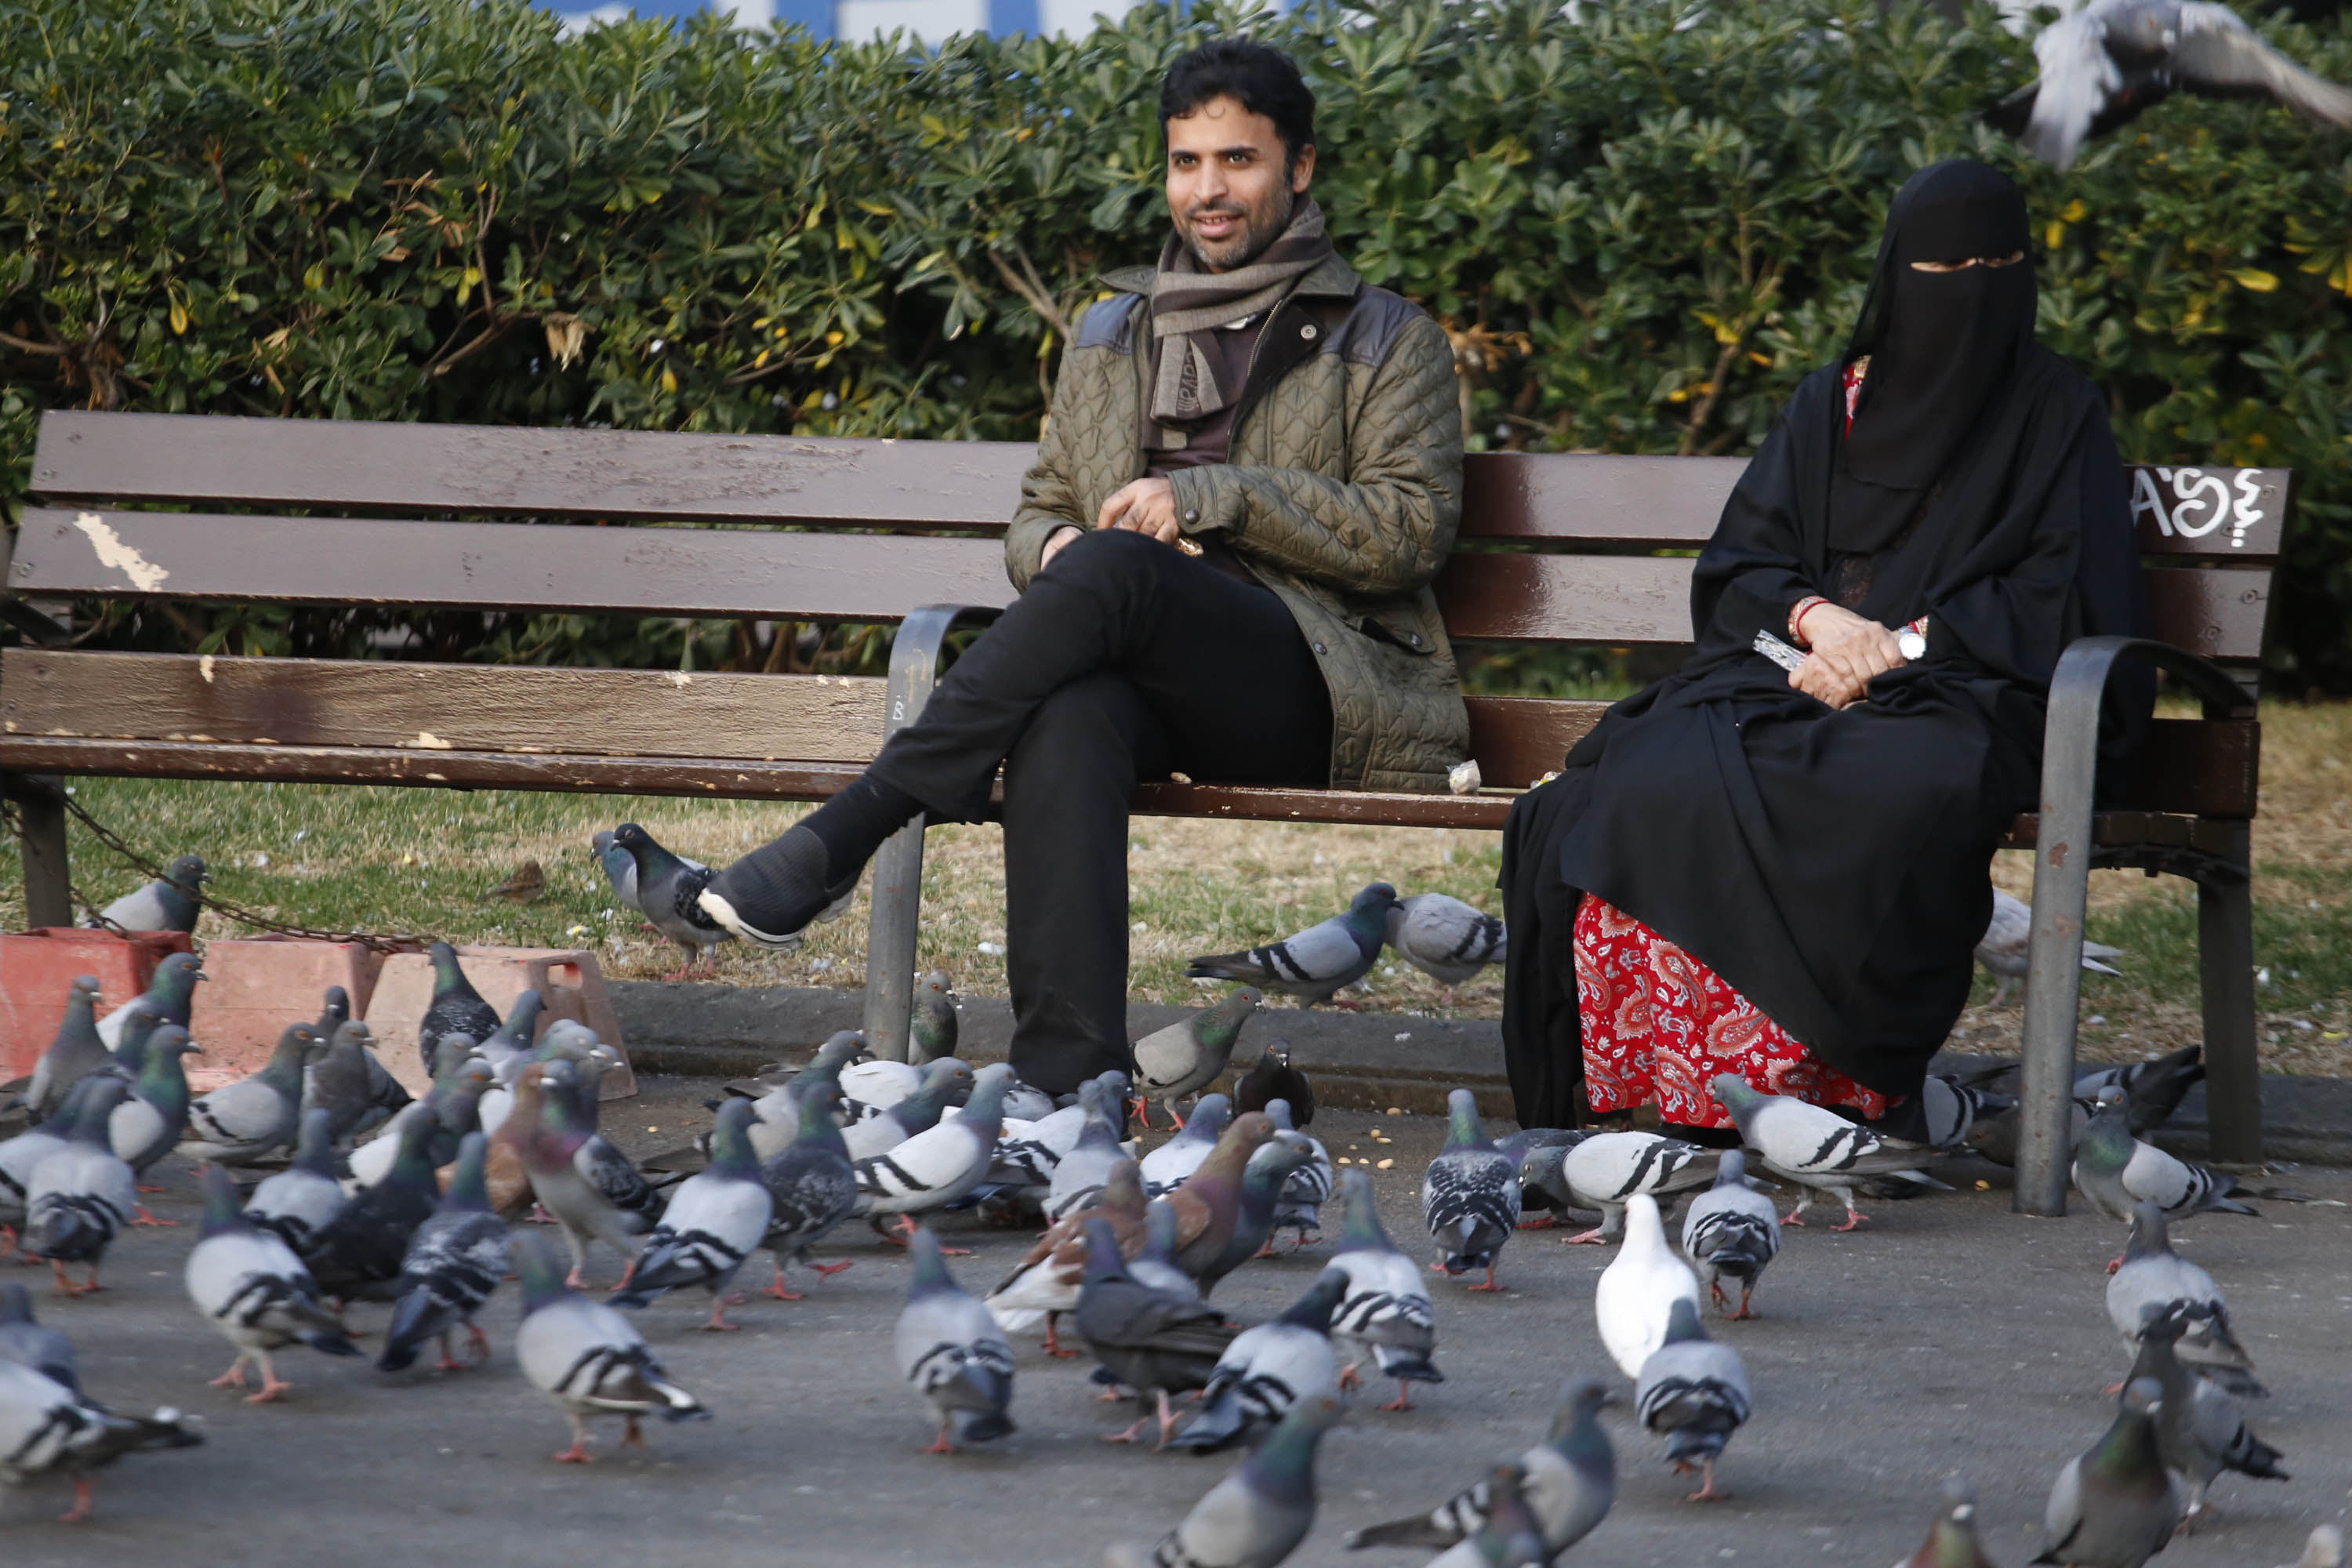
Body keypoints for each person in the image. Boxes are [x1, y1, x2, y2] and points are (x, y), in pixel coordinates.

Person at [699, 39, 1470, 1094]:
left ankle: (854, 827)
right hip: (1141, 655)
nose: (1209, 189)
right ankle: (1070, 1090)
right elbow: (1040, 516)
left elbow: (1410, 530)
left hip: (1312, 681)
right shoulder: (1115, 330)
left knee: (1117, 570)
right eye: (1186, 162)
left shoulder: (1386, 337)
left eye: (1238, 161)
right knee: (1068, 716)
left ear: (1300, 169)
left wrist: (1210, 497)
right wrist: (1055, 549)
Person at [1497, 160, 2152, 1142]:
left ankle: (1817, 1092)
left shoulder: (2056, 410)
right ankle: (1681, 1084)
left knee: (1883, 785)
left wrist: (1901, 646)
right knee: (1648, 774)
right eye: (1945, 265)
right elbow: (1742, 566)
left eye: (1998, 262)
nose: (1971, 287)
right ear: (1899, 273)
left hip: (1966, 693)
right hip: (1786, 670)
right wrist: (1820, 622)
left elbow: (2061, 589)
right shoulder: (1830, 405)